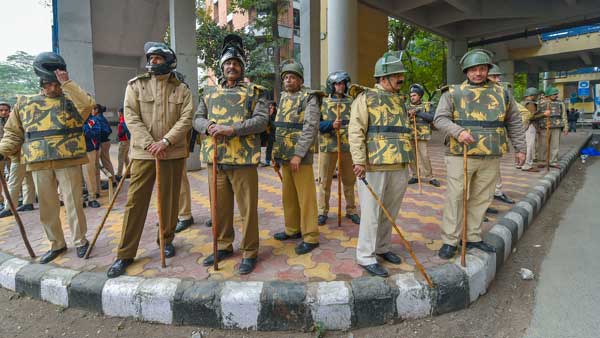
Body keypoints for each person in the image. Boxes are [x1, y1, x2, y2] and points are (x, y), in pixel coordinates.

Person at [107, 42, 193, 278]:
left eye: (158, 58)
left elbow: (186, 119)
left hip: (171, 153)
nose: (153, 62)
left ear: (169, 61)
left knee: (169, 201)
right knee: (136, 202)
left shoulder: (182, 89)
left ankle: (165, 240)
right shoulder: (136, 86)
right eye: (151, 58)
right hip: (145, 154)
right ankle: (125, 253)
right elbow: (131, 118)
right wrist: (149, 143)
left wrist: (164, 142)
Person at [0, 52, 94, 263]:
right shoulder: (24, 104)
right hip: (39, 162)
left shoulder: (72, 99)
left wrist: (67, 83)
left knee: (73, 203)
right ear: (41, 83)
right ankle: (57, 244)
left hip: (68, 160)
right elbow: (13, 133)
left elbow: (87, 106)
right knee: (47, 207)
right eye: (49, 84)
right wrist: (2, 151)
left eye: (56, 84)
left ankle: (81, 241)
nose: (53, 88)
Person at [433, 49, 527, 259]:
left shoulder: (503, 93)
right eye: (474, 69)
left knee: (482, 198)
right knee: (456, 197)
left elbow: (514, 122)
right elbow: (439, 119)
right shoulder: (452, 93)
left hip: (491, 154)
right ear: (466, 71)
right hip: (460, 155)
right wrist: (458, 132)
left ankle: (473, 237)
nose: (478, 73)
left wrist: (521, 148)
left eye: (482, 69)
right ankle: (450, 240)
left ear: (488, 70)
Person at [193, 34, 268, 274]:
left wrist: (232, 129)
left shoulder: (256, 92)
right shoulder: (208, 92)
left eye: (236, 63)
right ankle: (224, 245)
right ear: (222, 68)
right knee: (219, 208)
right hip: (216, 159)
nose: (231, 67)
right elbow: (197, 118)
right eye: (228, 63)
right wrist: (208, 127)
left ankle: (249, 251)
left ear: (242, 67)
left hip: (243, 160)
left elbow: (261, 121)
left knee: (247, 209)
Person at [348, 51, 414, 277]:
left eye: (401, 74)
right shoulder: (365, 98)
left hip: (399, 165)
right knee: (371, 213)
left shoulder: (400, 100)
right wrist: (358, 160)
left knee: (390, 211)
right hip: (373, 166)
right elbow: (356, 131)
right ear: (383, 78)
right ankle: (366, 256)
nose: (401, 79)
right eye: (396, 75)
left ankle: (382, 248)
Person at [272, 59, 322, 255]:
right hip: (284, 154)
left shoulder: (310, 97)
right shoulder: (283, 97)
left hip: (300, 157)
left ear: (300, 80)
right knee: (289, 196)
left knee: (306, 197)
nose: (288, 80)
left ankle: (311, 236)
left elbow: (310, 127)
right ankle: (292, 229)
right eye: (286, 77)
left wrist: (299, 155)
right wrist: (276, 154)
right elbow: (279, 126)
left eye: (292, 77)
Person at [317, 71, 360, 226]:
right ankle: (322, 211)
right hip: (328, 146)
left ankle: (351, 210)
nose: (340, 86)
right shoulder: (322, 102)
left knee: (349, 180)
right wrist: (330, 125)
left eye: (342, 83)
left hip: (348, 146)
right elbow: (316, 124)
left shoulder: (353, 101)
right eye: (337, 83)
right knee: (325, 181)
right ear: (332, 85)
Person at [406, 83, 440, 187]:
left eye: (414, 95)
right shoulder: (406, 107)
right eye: (411, 96)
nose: (412, 97)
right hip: (410, 135)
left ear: (420, 96)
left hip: (422, 135)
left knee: (424, 155)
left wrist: (418, 112)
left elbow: (431, 117)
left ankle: (430, 177)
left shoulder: (428, 105)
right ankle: (415, 175)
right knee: (411, 157)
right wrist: (408, 114)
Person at [536, 87, 568, 169]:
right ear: (548, 94)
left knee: (555, 145)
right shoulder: (540, 103)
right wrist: (537, 127)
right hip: (544, 126)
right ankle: (542, 161)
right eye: (554, 94)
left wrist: (566, 127)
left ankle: (553, 162)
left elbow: (564, 115)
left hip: (556, 127)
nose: (556, 95)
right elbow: (536, 115)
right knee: (543, 145)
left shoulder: (560, 103)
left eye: (556, 94)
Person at [82, 109, 101, 208]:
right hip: (75, 151)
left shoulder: (93, 121)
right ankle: (79, 199)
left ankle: (92, 197)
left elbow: (96, 134)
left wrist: (84, 128)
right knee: (75, 177)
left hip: (88, 150)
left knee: (89, 175)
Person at [520, 87, 541, 172]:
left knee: (523, 146)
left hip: (522, 126)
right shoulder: (530, 104)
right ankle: (527, 165)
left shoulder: (522, 103)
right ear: (532, 95)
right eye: (536, 95)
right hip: (529, 126)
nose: (537, 97)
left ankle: (520, 164)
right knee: (529, 146)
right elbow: (532, 116)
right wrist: (544, 114)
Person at [260, 101, 277, 167]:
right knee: (258, 146)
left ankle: (267, 161)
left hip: (271, 133)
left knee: (269, 147)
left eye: (272, 106)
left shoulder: (275, 115)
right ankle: (258, 160)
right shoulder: (265, 113)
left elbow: (274, 125)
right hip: (264, 133)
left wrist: (269, 118)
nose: (270, 107)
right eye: (269, 106)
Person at [116, 107, 130, 181]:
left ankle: (119, 174)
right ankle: (129, 172)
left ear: (121, 113)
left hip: (123, 141)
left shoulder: (123, 119)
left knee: (120, 157)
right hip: (127, 141)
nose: (118, 114)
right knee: (125, 157)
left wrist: (120, 134)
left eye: (118, 112)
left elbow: (125, 128)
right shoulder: (127, 118)